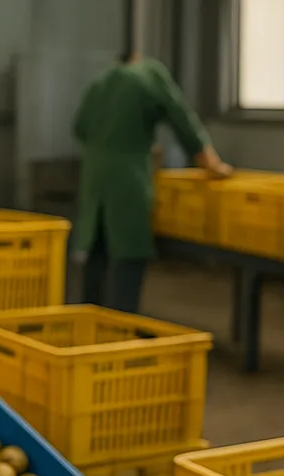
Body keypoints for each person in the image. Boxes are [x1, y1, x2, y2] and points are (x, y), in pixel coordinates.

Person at [72, 53, 230, 314]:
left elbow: (79, 128)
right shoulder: (149, 74)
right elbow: (179, 114)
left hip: (94, 176)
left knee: (96, 249)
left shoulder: (100, 83)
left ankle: (89, 328)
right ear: (138, 59)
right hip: (128, 176)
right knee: (129, 250)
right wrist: (208, 160)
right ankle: (122, 328)